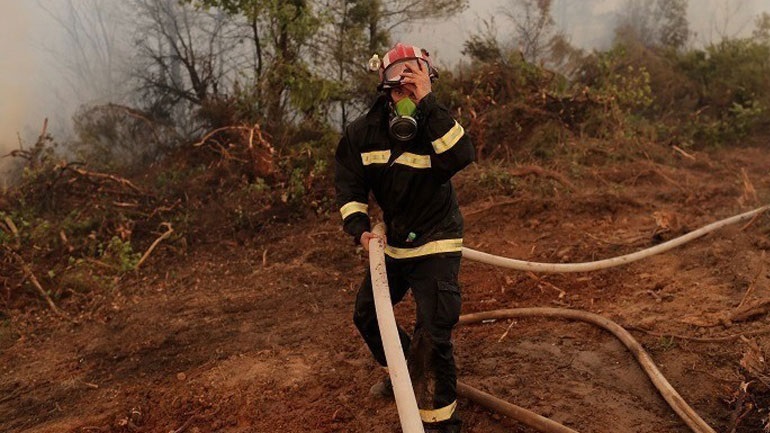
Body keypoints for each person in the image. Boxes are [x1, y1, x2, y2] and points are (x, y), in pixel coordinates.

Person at [334, 42, 475, 433]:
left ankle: (439, 424)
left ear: (427, 88)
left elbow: (461, 156)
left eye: (414, 91)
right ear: (385, 93)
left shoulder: (436, 123)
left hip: (437, 239)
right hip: (394, 241)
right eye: (400, 92)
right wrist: (360, 229)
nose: (406, 101)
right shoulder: (363, 133)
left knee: (432, 332)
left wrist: (426, 103)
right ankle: (405, 370)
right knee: (367, 313)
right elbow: (348, 186)